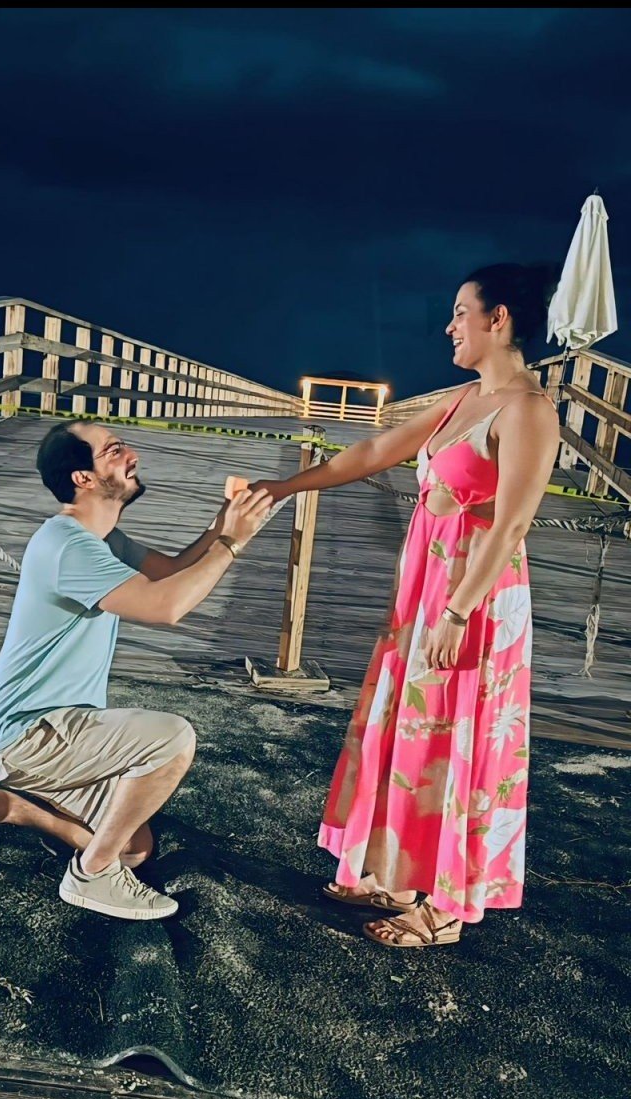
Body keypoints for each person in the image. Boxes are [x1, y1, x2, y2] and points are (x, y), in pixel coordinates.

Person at [251, 263, 560, 948]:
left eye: (461, 313)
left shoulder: (528, 409)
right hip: (426, 591)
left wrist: (457, 612)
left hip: (473, 598)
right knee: (415, 731)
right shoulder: (465, 398)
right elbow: (372, 449)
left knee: (459, 736)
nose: (450, 327)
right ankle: (398, 871)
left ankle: (446, 908)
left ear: (499, 319)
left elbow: (512, 523)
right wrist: (283, 487)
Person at [0, 420, 272, 920]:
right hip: (27, 735)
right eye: (114, 450)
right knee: (172, 738)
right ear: (83, 478)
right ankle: (91, 876)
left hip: (58, 729)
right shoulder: (68, 546)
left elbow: (171, 572)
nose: (131, 455)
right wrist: (231, 543)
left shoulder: (101, 539)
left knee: (135, 849)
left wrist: (222, 524)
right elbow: (166, 605)